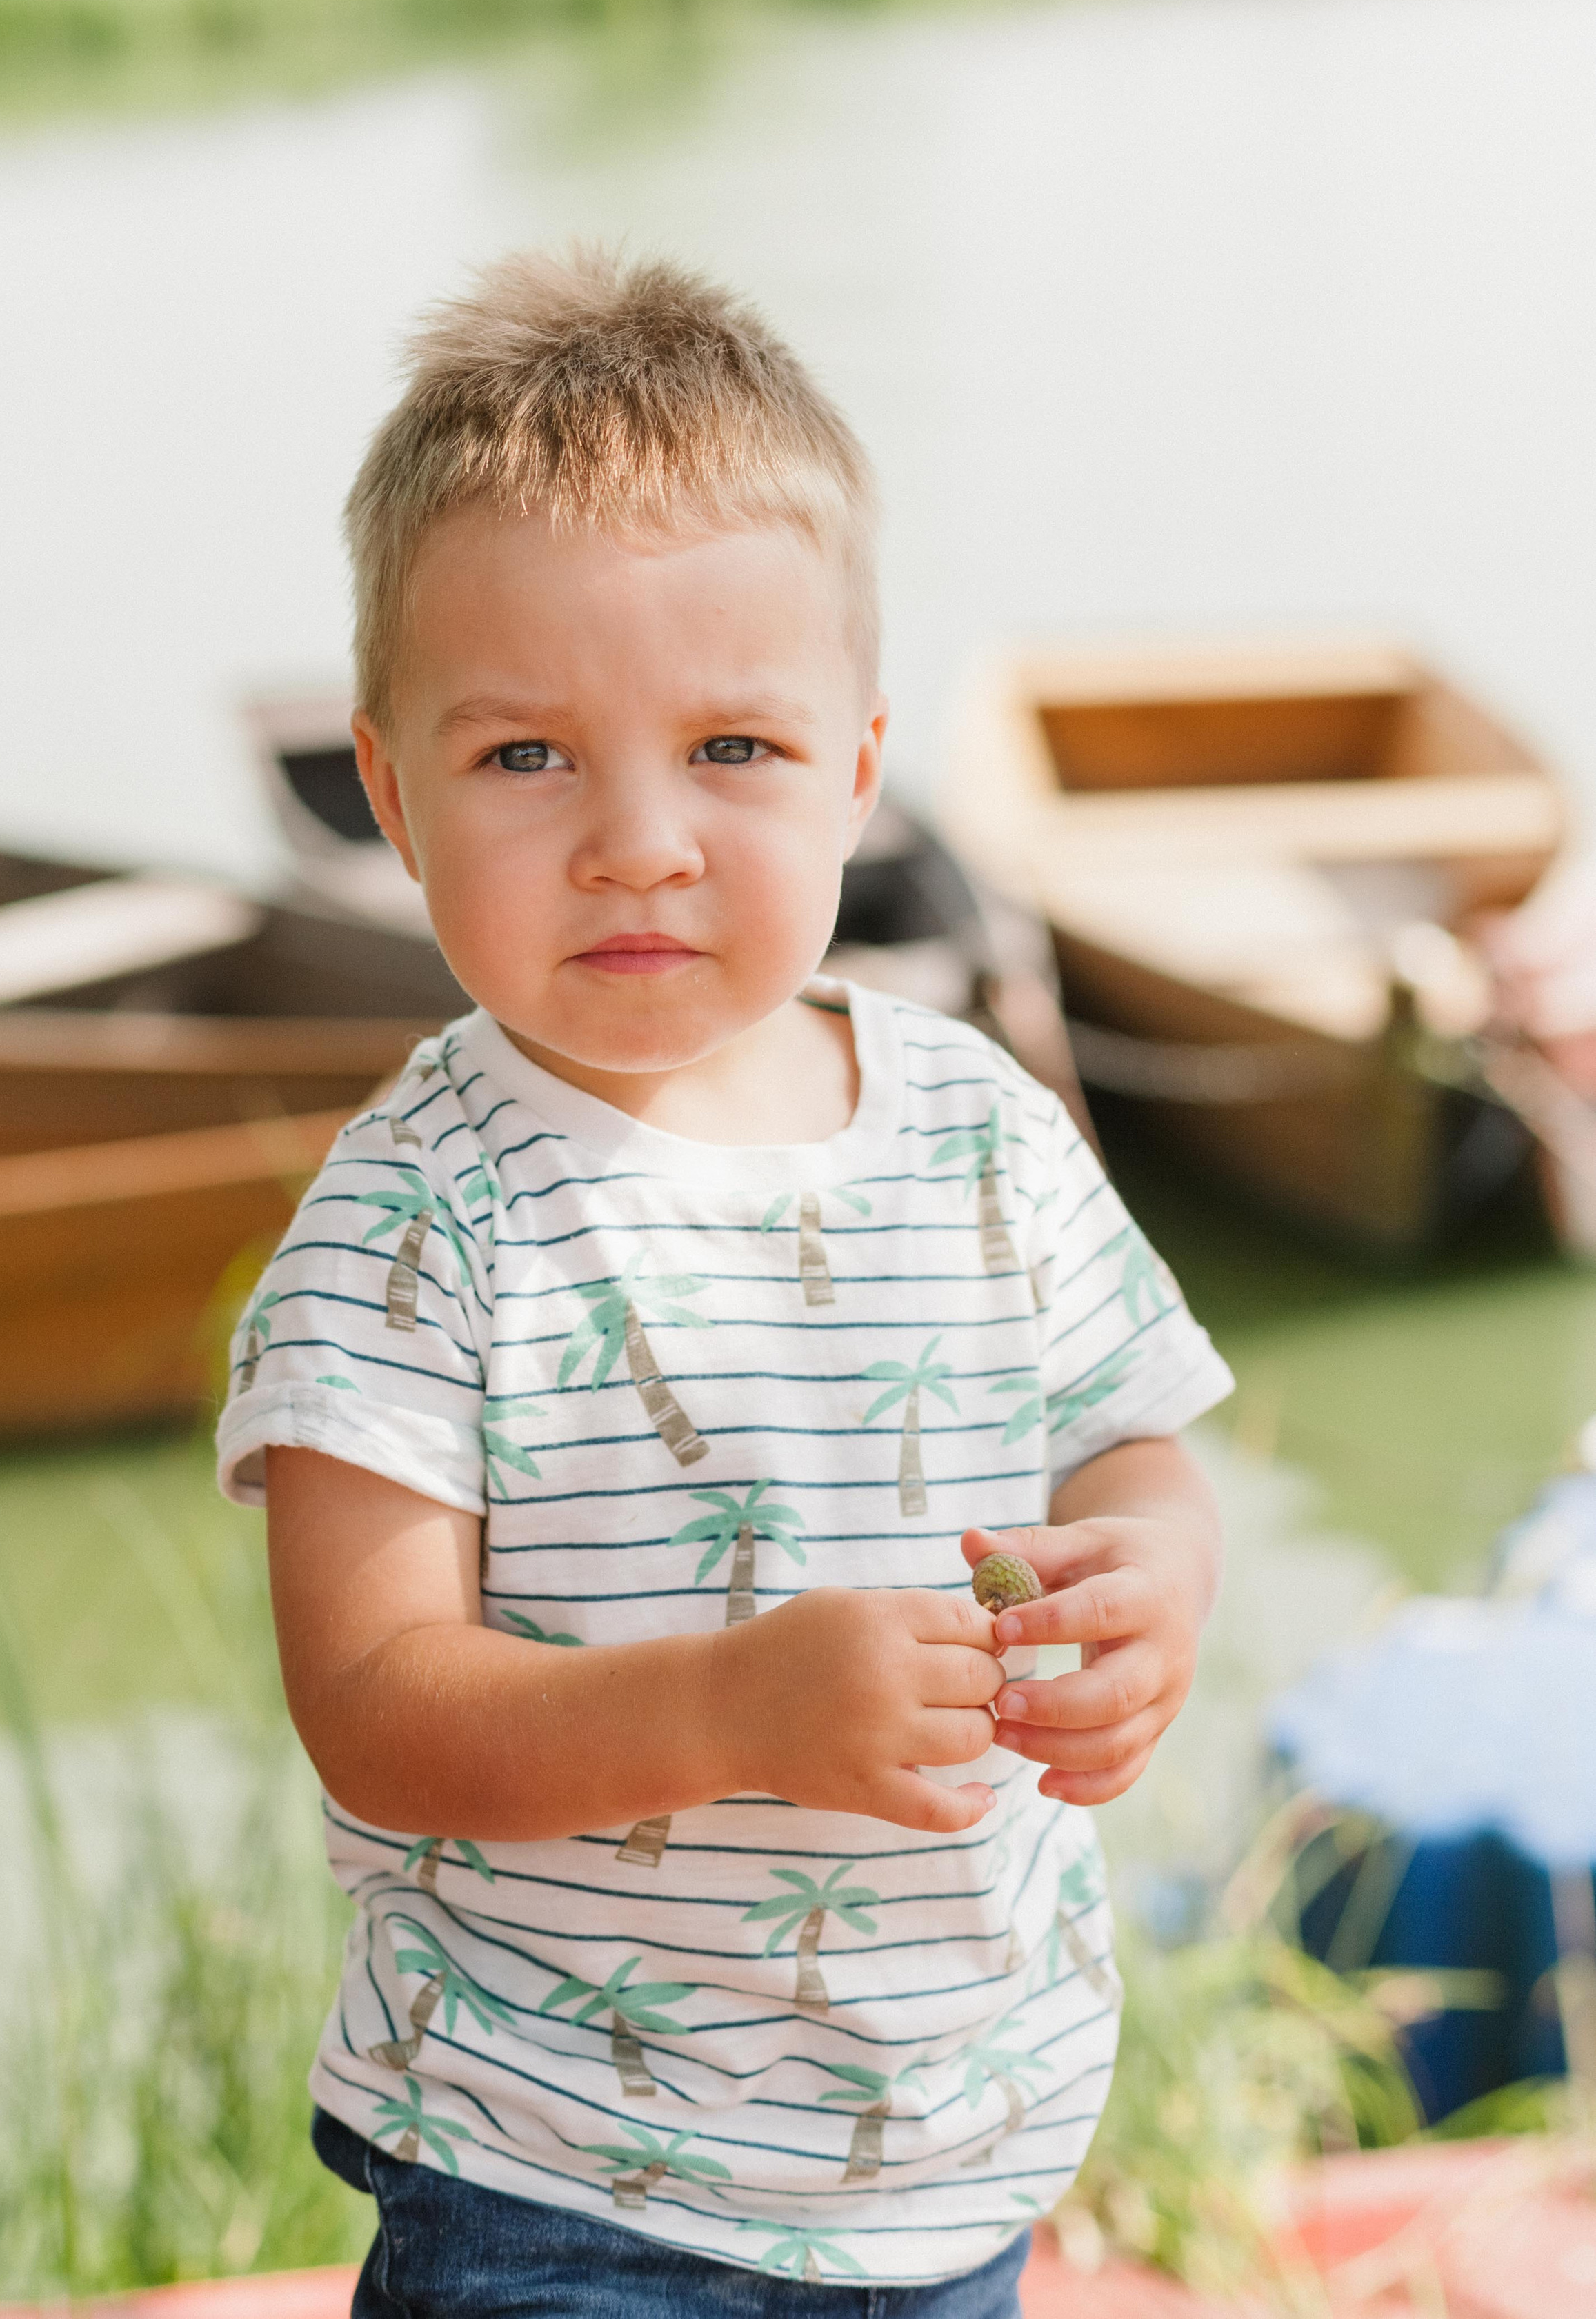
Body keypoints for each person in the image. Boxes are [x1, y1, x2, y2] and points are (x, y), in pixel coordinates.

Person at [215, 248, 1230, 2314]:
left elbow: (1132, 1443)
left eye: (734, 750)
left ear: (861, 771)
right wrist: (748, 1707)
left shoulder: (977, 1125)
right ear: (392, 795)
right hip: (559, 2176)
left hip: (959, 2138)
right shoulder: (423, 1212)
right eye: (526, 760)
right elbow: (380, 1713)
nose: (640, 841)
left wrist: (1151, 1591)